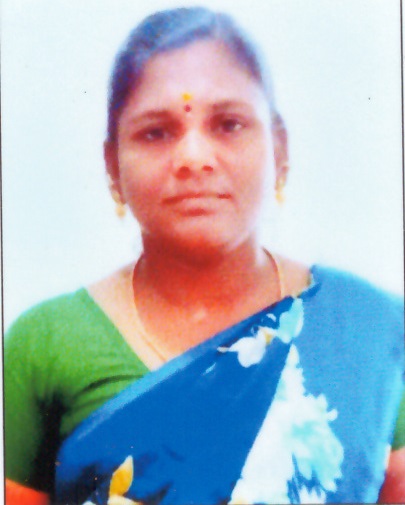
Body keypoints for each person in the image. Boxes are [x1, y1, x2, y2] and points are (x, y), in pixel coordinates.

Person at [4, 6, 404, 505]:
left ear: (279, 148)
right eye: (156, 132)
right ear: (112, 164)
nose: (193, 158)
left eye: (229, 124)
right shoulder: (45, 344)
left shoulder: (370, 329)